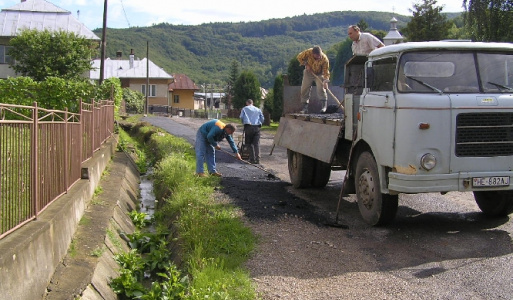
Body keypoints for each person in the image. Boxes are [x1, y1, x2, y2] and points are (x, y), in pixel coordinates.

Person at [296, 45, 330, 114]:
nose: (319, 57)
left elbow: (326, 71)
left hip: (319, 73)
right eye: (317, 56)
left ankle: (324, 107)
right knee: (304, 88)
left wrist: (326, 81)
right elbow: (299, 57)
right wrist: (306, 64)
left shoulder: (324, 59)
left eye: (320, 55)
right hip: (309, 72)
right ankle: (305, 108)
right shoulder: (308, 52)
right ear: (313, 54)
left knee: (321, 88)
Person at [240, 99, 264, 164]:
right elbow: (262, 118)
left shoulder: (244, 109)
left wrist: (243, 123)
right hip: (257, 127)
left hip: (248, 127)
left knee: (249, 144)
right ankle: (258, 159)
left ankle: (252, 159)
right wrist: (260, 124)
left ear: (247, 103)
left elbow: (241, 117)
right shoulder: (258, 109)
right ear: (252, 103)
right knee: (256, 144)